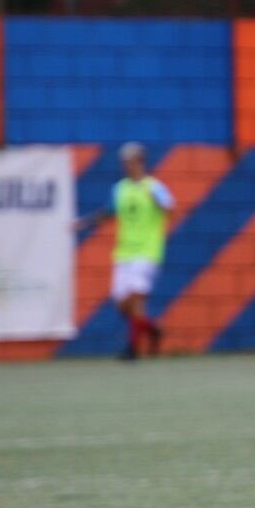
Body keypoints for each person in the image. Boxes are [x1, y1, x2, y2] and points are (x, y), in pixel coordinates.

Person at [76, 142, 172, 360]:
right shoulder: (120, 188)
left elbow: (170, 208)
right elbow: (108, 213)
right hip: (124, 253)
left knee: (137, 299)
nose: (127, 166)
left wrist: (162, 206)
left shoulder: (153, 186)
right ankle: (153, 329)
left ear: (141, 162)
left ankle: (132, 349)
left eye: (131, 161)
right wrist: (83, 223)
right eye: (125, 162)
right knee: (122, 305)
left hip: (147, 252)